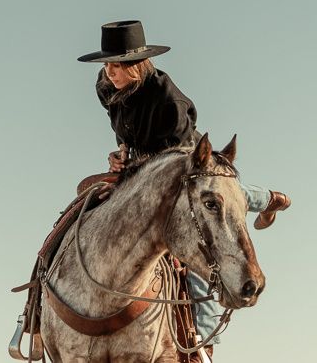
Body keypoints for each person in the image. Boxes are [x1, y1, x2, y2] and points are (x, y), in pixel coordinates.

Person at [78, 20, 291, 361]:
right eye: (107, 64)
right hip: (142, 167)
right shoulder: (107, 86)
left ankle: (200, 346)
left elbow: (174, 160)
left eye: (118, 65)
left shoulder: (168, 101)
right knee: (84, 202)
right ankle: (38, 304)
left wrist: (136, 166)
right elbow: (124, 129)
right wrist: (121, 155)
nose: (110, 72)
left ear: (137, 66)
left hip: (181, 164)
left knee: (202, 227)